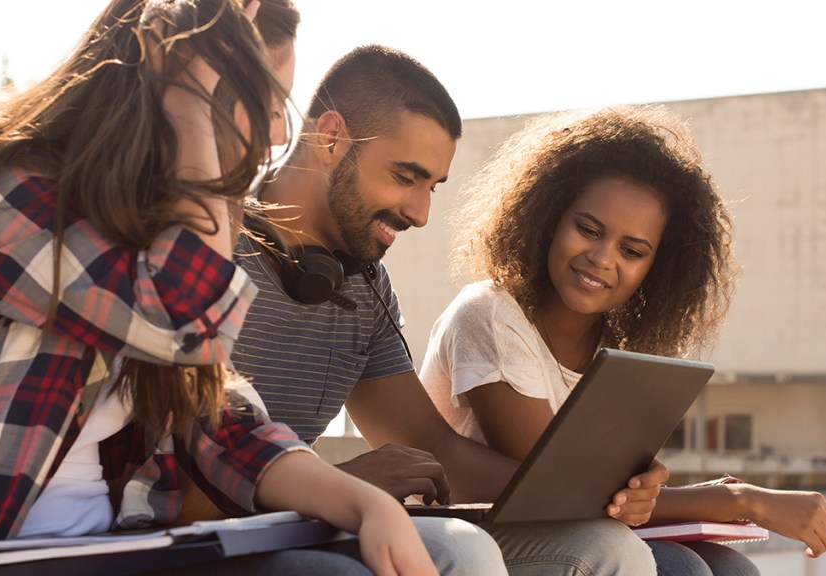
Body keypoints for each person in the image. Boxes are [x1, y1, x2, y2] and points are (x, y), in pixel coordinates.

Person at [0, 1, 441, 575]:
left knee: (452, 548)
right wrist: (189, 111)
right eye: (266, 100)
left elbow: (222, 422)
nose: (281, 132)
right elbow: (186, 320)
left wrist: (367, 505)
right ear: (173, 90)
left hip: (117, 551)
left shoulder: (158, 237)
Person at [231, 44, 662, 575]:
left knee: (605, 549)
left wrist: (604, 493)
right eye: (406, 176)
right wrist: (342, 484)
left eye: (432, 187)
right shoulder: (211, 251)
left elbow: (436, 447)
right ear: (330, 136)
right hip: (210, 533)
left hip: (307, 519)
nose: (420, 212)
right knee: (461, 551)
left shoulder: (365, 287)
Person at [419, 106, 826, 575]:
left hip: (571, 529)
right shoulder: (490, 313)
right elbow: (560, 491)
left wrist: (646, 489)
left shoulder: (619, 351)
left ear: (656, 267)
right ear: (549, 218)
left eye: (632, 251)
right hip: (469, 537)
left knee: (729, 569)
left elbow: (613, 495)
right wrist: (737, 498)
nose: (602, 258)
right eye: (588, 229)